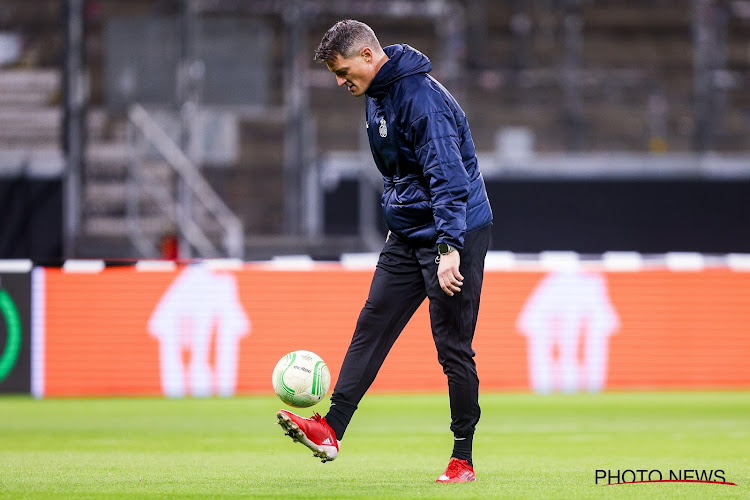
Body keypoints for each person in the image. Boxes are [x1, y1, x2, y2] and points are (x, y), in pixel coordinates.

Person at [276, 19, 493, 484]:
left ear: (370, 57)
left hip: (455, 232)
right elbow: (405, 176)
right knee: (372, 323)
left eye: (343, 70)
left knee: (452, 347)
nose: (340, 81)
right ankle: (331, 430)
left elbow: (448, 180)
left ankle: (463, 458)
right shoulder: (377, 95)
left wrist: (450, 248)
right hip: (410, 231)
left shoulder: (422, 101)